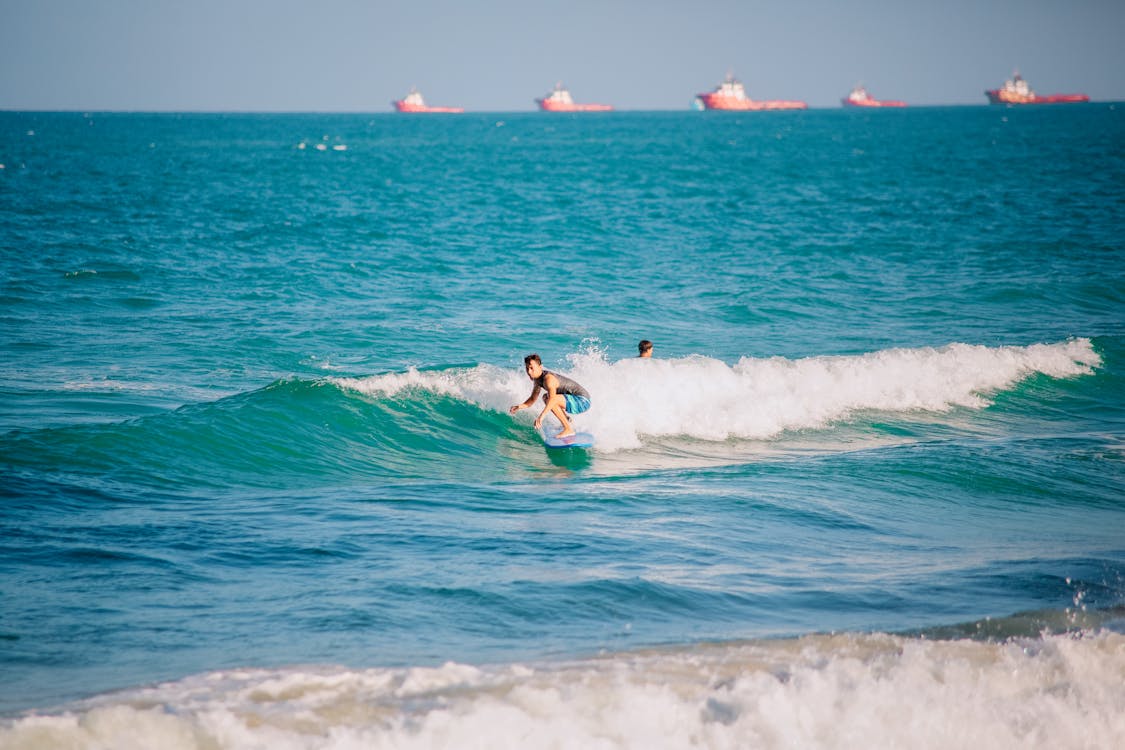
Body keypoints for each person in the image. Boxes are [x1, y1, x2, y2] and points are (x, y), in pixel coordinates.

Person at [509, 353, 591, 438]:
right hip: (575, 400)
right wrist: (519, 406)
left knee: (551, 399)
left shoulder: (548, 379)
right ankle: (566, 420)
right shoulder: (537, 380)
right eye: (527, 368)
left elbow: (553, 399)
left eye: (531, 368)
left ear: (540, 367)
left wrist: (541, 417)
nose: (529, 372)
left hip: (582, 401)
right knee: (546, 397)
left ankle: (568, 429)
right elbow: (532, 399)